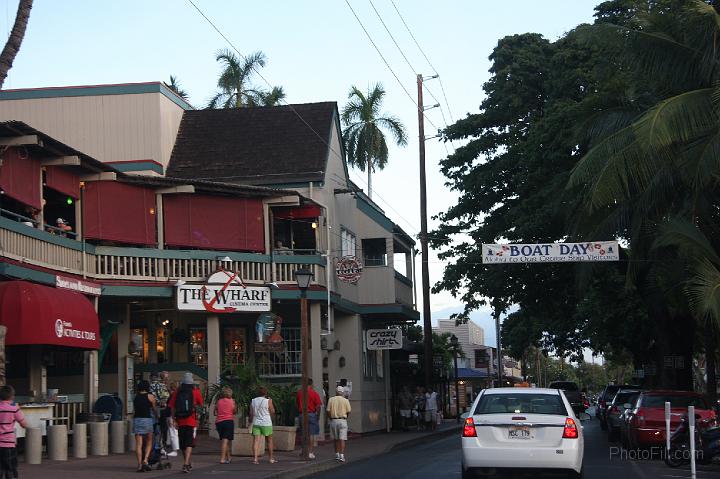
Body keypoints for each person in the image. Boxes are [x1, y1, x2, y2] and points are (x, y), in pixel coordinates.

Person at [169, 373, 203, 474]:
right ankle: (186, 463)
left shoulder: (177, 392)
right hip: (191, 420)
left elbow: (172, 406)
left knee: (183, 444)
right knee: (189, 442)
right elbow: (201, 405)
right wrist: (198, 418)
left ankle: (187, 462)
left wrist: (174, 419)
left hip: (180, 420)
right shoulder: (195, 391)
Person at [0, 385, 26, 479]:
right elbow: (24, 424)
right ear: (12, 396)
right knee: (10, 469)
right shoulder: (14, 408)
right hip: (8, 444)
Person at [132, 380, 157, 472]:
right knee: (149, 441)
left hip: (137, 420)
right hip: (147, 420)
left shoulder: (135, 397)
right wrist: (157, 416)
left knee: (138, 444)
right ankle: (145, 460)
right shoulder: (150, 397)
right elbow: (154, 409)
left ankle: (139, 464)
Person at [296, 378, 322, 459]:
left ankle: (303, 451)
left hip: (301, 414)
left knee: (303, 434)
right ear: (311, 384)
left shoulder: (299, 393)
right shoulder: (314, 393)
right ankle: (310, 452)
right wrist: (317, 416)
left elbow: (297, 404)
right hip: (311, 414)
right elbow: (318, 406)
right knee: (311, 434)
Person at [249, 387, 276, 464]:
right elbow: (273, 411)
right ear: (266, 393)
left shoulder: (253, 401)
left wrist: (250, 420)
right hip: (266, 423)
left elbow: (251, 413)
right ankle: (271, 458)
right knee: (269, 440)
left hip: (256, 423)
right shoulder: (268, 401)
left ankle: (255, 459)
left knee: (256, 441)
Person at [327, 385, 351, 463]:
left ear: (336, 392)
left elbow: (328, 410)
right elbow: (348, 411)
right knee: (342, 439)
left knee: (336, 439)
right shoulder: (345, 400)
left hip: (334, 420)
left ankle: (337, 454)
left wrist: (330, 418)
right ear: (342, 392)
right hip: (343, 420)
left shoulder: (331, 399)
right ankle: (342, 455)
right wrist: (345, 417)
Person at [149, 372, 170, 454]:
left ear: (151, 378)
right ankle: (160, 446)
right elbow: (167, 396)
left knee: (153, 429)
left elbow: (150, 398)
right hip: (162, 409)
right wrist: (162, 402)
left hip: (152, 410)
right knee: (161, 429)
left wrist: (156, 402)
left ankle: (152, 447)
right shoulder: (162, 386)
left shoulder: (149, 386)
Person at [214, 387, 236, 464]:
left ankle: (229, 457)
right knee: (225, 440)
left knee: (225, 440)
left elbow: (215, 411)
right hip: (228, 421)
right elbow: (234, 411)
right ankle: (222, 459)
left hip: (219, 422)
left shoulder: (218, 401)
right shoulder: (232, 401)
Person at [165, 381, 180, 457]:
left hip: (171, 415)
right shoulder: (178, 394)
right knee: (173, 432)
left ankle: (175, 450)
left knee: (173, 433)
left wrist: (173, 417)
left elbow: (171, 406)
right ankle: (174, 448)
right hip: (173, 416)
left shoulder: (173, 395)